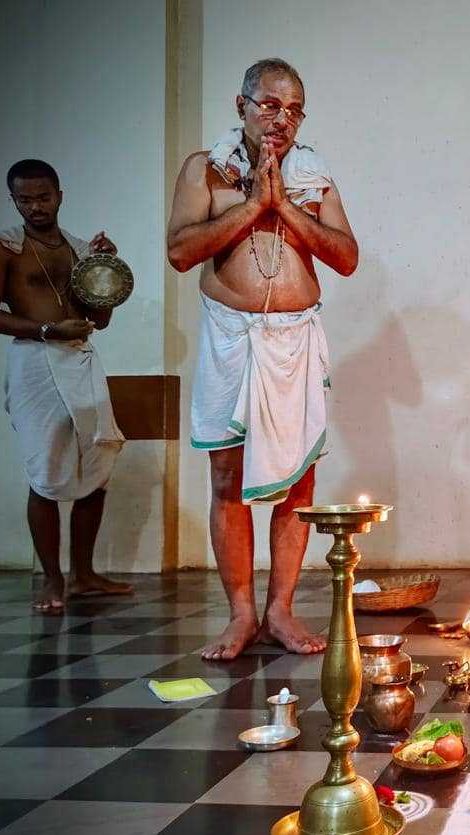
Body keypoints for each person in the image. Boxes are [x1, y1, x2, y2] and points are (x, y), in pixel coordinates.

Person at [166, 58, 358, 660]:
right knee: (227, 476)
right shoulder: (206, 168)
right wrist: (252, 207)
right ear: (241, 104)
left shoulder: (313, 175)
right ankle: (241, 614)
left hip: (294, 338)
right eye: (270, 104)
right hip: (232, 335)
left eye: (295, 109)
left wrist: (284, 207)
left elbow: (347, 257)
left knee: (300, 479)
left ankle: (280, 609)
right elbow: (180, 250)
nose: (283, 118)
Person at [0, 159, 132, 612]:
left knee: (96, 465)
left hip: (79, 357)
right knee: (45, 471)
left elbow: (99, 318)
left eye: (43, 197)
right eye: (25, 199)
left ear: (59, 194)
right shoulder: (4, 248)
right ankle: (52, 579)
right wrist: (43, 331)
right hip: (34, 361)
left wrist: (105, 267)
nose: (35, 207)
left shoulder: (80, 250)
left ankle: (84, 574)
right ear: (14, 200)